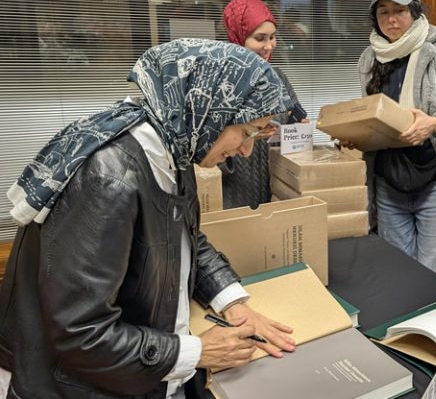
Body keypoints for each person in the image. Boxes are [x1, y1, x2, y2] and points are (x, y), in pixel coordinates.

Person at [0, 38, 297, 398]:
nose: (248, 150)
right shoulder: (106, 179)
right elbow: (80, 331)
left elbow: (186, 238)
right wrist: (198, 352)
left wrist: (232, 302)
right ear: (210, 108)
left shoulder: (179, 144)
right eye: (247, 132)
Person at [345, 0, 436, 281]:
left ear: (416, 12)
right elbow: (373, 115)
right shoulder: (369, 58)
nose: (392, 19)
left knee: (431, 274)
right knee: (397, 271)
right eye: (384, 12)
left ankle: (432, 329)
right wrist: (356, 133)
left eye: (400, 10)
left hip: (434, 180)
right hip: (388, 181)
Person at [222, 0, 307, 209]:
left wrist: (299, 130)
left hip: (278, 193)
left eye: (272, 37)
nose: (269, 46)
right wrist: (247, 136)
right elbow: (207, 156)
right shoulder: (222, 84)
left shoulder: (278, 78)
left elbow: (295, 130)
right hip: (235, 195)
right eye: (260, 38)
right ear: (239, 38)